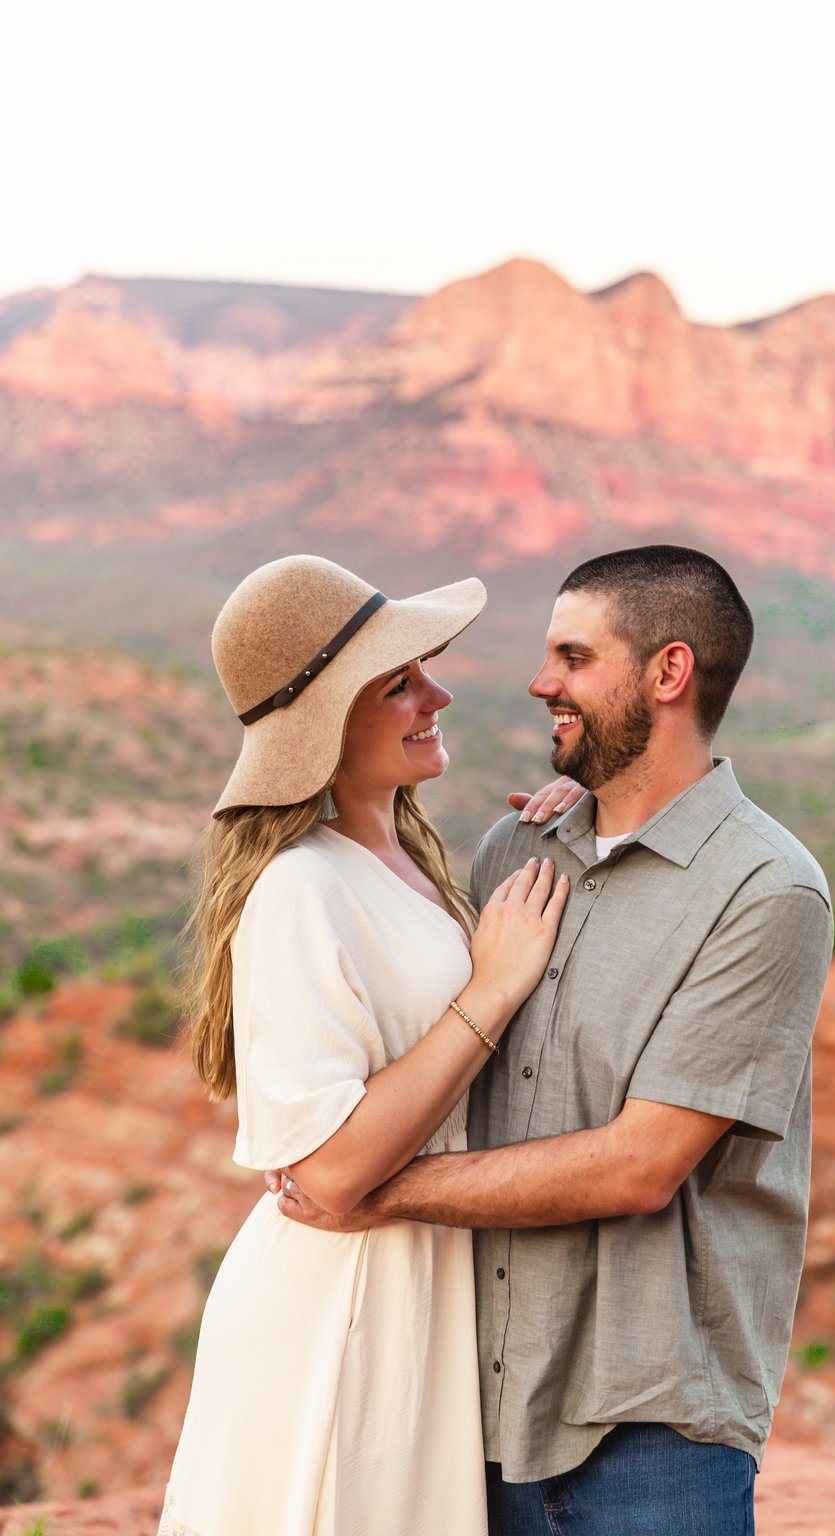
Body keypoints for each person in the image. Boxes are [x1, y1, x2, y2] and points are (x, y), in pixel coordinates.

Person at [273, 544, 834, 1536]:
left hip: (651, 1430)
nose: (541, 682)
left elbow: (639, 1167)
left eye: (573, 657)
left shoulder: (764, 890)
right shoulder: (514, 851)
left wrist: (372, 1193)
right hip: (473, 1411)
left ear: (667, 673)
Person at [157, 553, 571, 1536]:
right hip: (342, 1305)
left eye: (424, 671)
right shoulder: (300, 888)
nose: (439, 695)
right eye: (399, 685)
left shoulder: (406, 861)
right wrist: (491, 987)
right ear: (326, 721)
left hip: (412, 1285)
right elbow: (332, 1172)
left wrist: (568, 835)